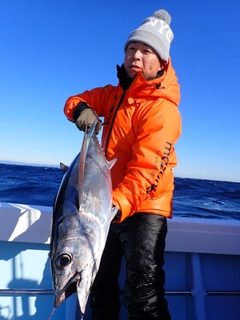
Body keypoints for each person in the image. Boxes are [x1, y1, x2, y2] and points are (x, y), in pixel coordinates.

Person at [64, 8, 181, 320]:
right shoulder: (114, 96)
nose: (136, 57)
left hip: (145, 210)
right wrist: (83, 111)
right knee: (100, 284)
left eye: (146, 51)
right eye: (131, 49)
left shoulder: (161, 110)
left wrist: (109, 206)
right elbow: (74, 100)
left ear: (162, 62)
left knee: (144, 293)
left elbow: (148, 171)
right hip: (109, 207)